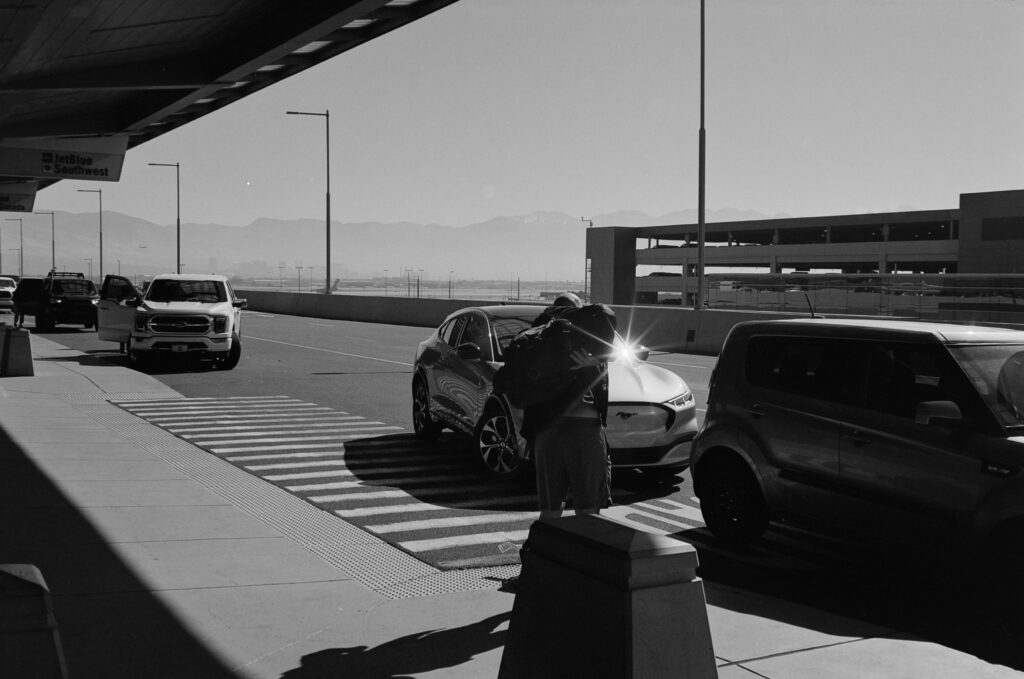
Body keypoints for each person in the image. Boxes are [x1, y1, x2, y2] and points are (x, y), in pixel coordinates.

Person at [522, 293, 615, 522]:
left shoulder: (538, 337)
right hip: (584, 429)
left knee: (550, 510)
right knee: (588, 511)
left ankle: (549, 553)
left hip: (547, 430)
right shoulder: (590, 336)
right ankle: (584, 555)